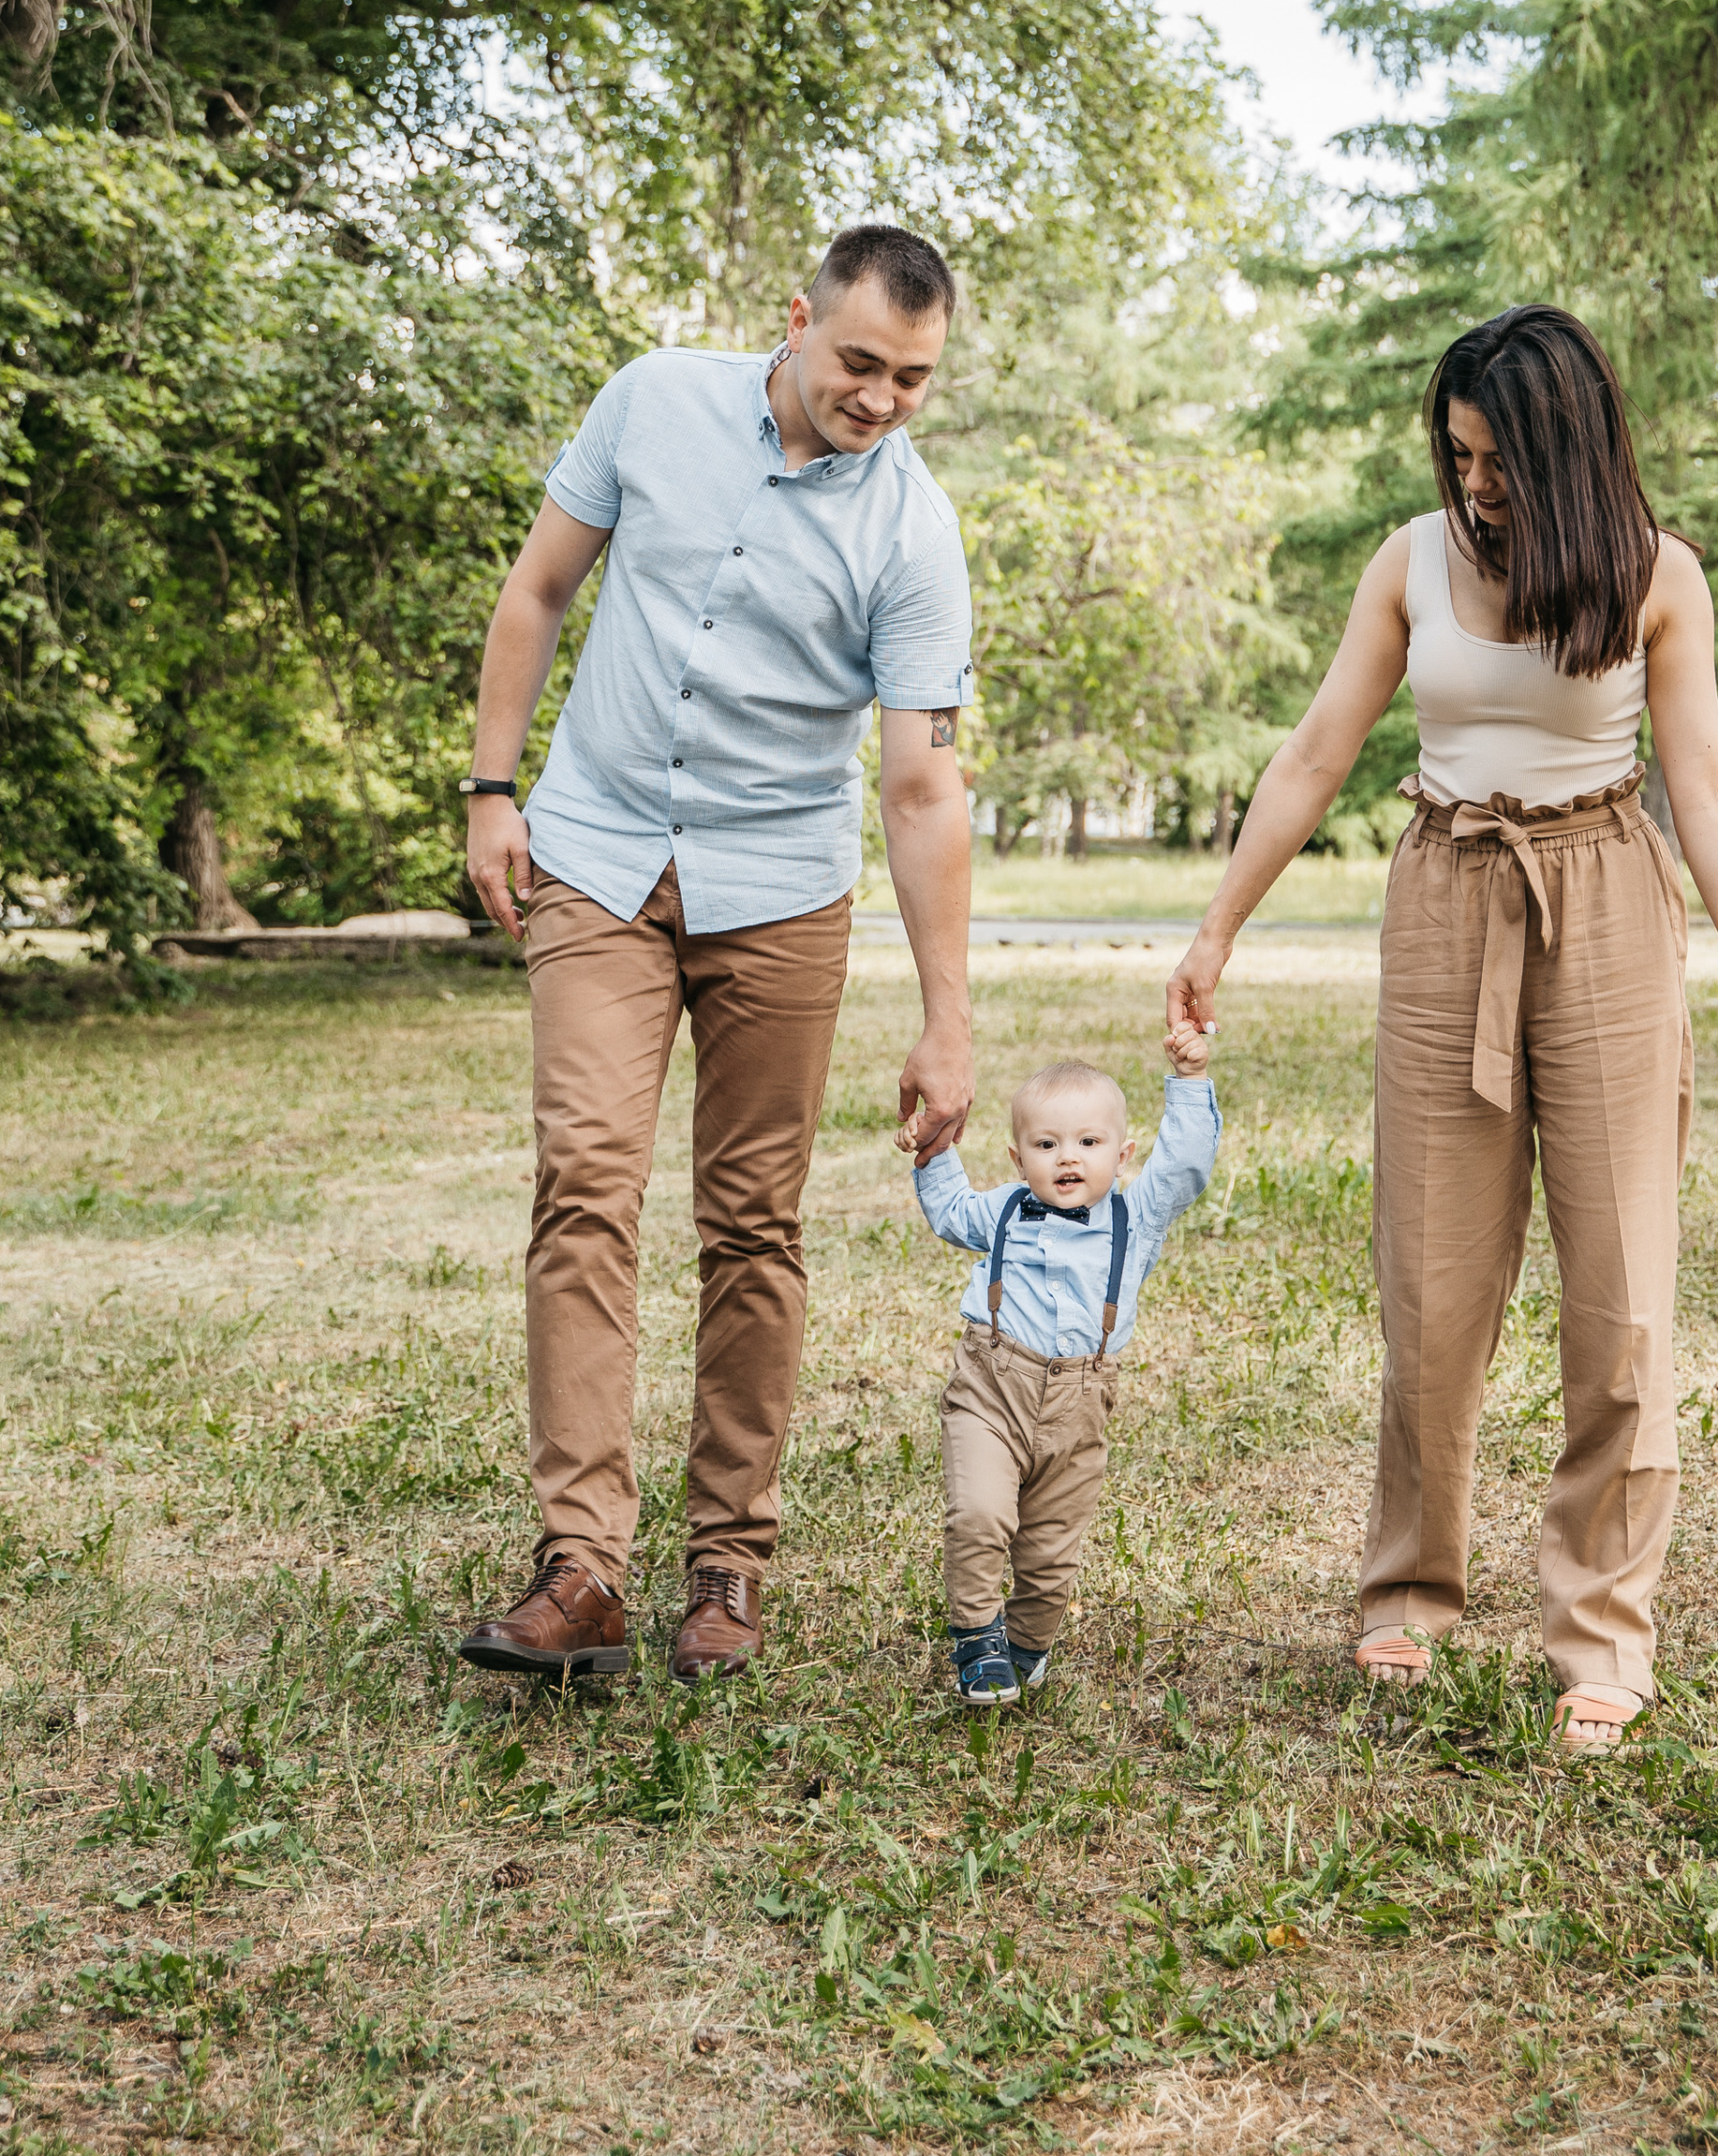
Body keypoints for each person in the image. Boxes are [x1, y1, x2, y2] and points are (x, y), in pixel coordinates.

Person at [1167, 304, 1718, 1760]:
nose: (1475, 484)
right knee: (1433, 1274)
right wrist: (1217, 928)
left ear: (1566, 448)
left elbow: (1702, 787)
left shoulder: (1661, 576)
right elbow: (1320, 748)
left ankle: (1601, 1627)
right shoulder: (1410, 560)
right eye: (1458, 455)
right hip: (1448, 893)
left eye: (1499, 459)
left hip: (1604, 893)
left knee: (1622, 1287)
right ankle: (1410, 1583)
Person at [454, 223, 977, 1689]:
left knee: (753, 1223)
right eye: (860, 361)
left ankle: (728, 1570)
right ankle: (582, 1572)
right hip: (600, 856)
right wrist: (495, 792)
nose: (880, 398)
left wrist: (949, 1020)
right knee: (586, 1182)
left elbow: (923, 784)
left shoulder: (912, 532)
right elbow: (539, 589)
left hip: (779, 894)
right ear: (795, 319)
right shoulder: (655, 399)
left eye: (914, 380)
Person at [908, 1026, 1219, 1704]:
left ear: (1123, 1152)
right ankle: (976, 1638)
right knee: (979, 1515)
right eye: (1047, 1145)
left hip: (1080, 1406)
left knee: (1050, 1556)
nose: (1067, 1158)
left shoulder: (1134, 1219)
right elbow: (949, 1208)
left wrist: (1190, 1082)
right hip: (991, 1388)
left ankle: (1025, 1643)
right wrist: (933, 1145)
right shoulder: (1000, 1213)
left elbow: (1185, 1166)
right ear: (1019, 1158)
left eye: (1088, 1142)